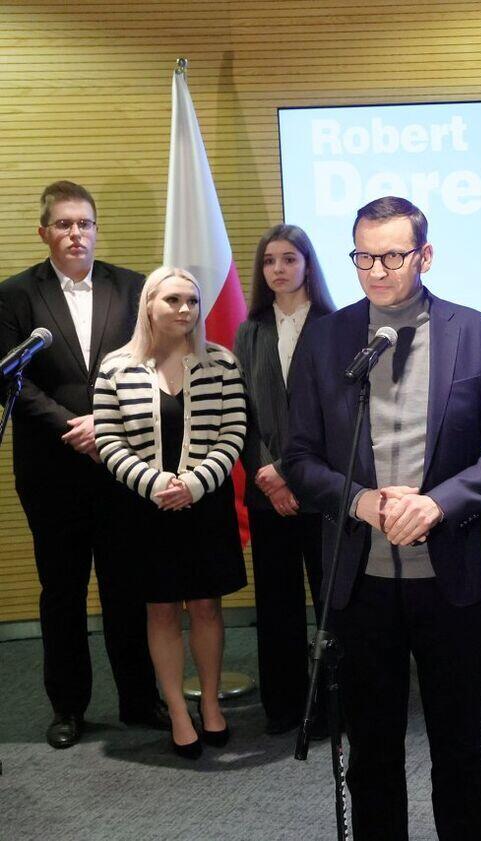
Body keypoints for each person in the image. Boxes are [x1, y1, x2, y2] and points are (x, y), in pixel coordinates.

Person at [284, 196, 481, 840]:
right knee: (371, 754)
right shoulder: (327, 338)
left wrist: (436, 503)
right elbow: (299, 459)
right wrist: (360, 501)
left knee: (459, 750)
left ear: (425, 256)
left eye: (393, 256)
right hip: (359, 582)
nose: (376, 271)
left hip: (450, 581)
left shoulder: (472, 332)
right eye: (363, 257)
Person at [0, 181, 164, 749]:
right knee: (61, 591)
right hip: (51, 469)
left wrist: (106, 425)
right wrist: (73, 426)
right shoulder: (14, 295)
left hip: (124, 466)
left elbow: (154, 363)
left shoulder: (135, 287)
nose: (76, 233)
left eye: (85, 223)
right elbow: (10, 379)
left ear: (96, 229)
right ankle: (68, 707)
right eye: (64, 224)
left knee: (126, 588)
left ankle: (139, 700)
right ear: (44, 232)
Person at [94, 266, 248, 760]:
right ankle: (178, 712)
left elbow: (233, 433)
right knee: (160, 610)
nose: (185, 309)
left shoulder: (221, 362)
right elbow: (108, 440)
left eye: (192, 301)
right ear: (149, 305)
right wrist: (157, 483)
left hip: (205, 505)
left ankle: (210, 705)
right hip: (145, 509)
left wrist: (196, 484)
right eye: (173, 300)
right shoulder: (116, 367)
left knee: (206, 606)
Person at [234, 224, 335, 736]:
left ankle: (335, 706)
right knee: (277, 605)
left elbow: (339, 415)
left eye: (289, 259)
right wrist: (269, 476)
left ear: (307, 265)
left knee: (333, 604)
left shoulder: (336, 326)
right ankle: (284, 706)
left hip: (324, 491)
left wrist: (292, 472)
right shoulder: (249, 331)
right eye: (269, 260)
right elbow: (242, 415)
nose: (278, 268)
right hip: (266, 491)